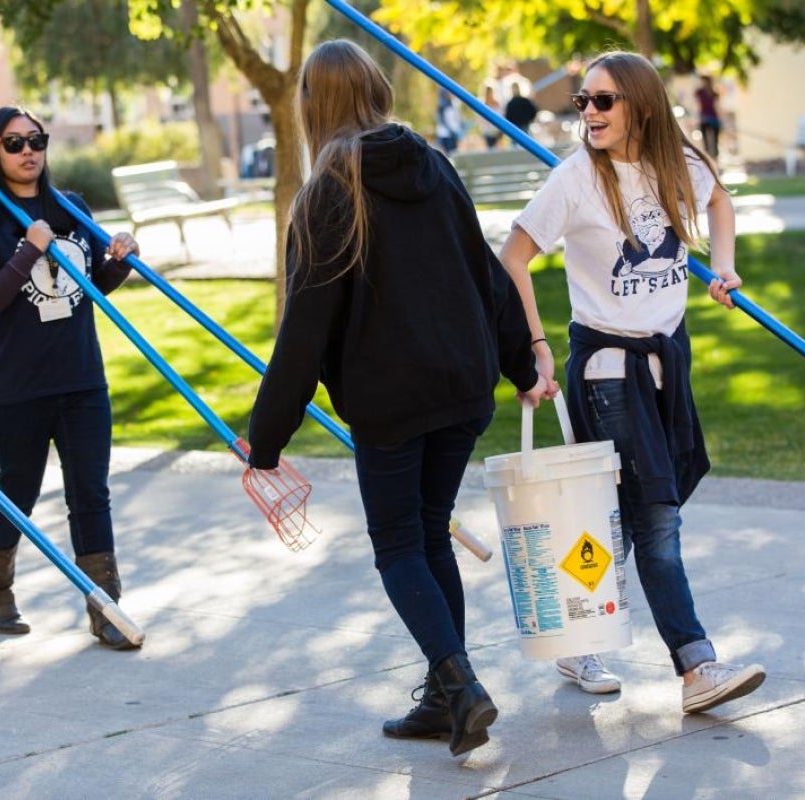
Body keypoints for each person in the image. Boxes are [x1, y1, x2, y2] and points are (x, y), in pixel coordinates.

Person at [244, 40, 549, 757]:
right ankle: (446, 697)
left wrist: (265, 440)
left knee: (399, 544)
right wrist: (518, 362)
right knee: (430, 526)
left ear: (313, 106)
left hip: (394, 399)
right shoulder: (432, 165)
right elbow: (487, 276)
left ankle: (462, 685)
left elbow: (304, 329)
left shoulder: (330, 189)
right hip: (463, 386)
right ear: (377, 90)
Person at [498, 51, 766, 714]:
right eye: (582, 102)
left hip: (667, 355)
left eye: (603, 101)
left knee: (631, 510)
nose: (588, 112)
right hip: (607, 368)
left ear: (640, 105)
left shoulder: (683, 164)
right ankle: (696, 665)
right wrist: (534, 346)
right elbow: (514, 255)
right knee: (656, 516)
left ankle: (572, 631)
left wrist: (723, 269)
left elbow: (721, 200)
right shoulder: (576, 180)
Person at [0, 106, 141, 651]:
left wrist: (120, 259)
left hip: (81, 378)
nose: (29, 150)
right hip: (16, 385)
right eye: (14, 143)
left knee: (91, 494)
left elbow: (91, 284)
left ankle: (106, 610)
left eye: (37, 139)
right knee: (18, 489)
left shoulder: (71, 208)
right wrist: (27, 250)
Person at [694, 75, 722, 162]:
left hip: (706, 119)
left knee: (707, 142)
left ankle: (710, 162)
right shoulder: (713, 92)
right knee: (714, 142)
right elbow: (717, 107)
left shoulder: (700, 92)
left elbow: (698, 106)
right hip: (712, 118)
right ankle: (714, 161)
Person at [434, 87, 464, 155]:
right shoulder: (441, 106)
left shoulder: (454, 105)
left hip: (454, 133)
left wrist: (459, 128)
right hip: (445, 135)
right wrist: (450, 130)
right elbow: (441, 120)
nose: (450, 95)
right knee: (448, 154)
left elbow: (457, 118)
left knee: (454, 152)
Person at [478, 82, 504, 150]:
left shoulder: (498, 104)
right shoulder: (482, 105)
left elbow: (501, 117)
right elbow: (480, 121)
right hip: (487, 133)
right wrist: (485, 131)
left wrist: (499, 130)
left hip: (498, 132)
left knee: (499, 150)